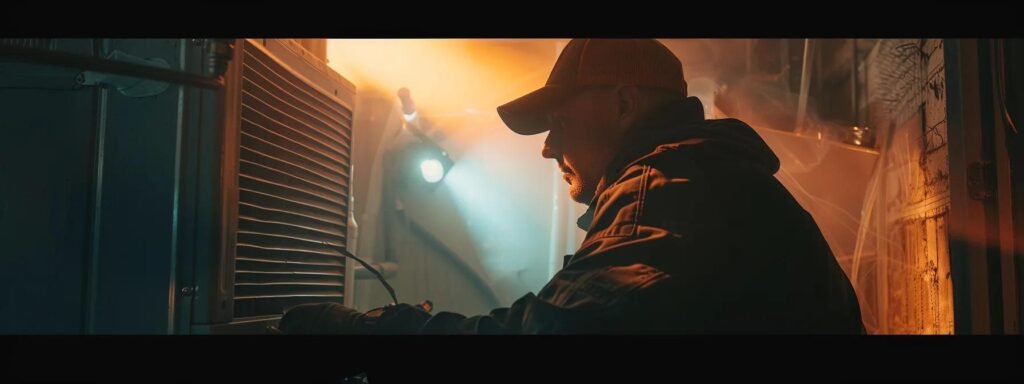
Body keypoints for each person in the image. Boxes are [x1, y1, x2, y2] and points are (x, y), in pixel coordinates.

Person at [277, 38, 864, 334]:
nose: (549, 147)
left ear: (624, 103)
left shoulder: (666, 187)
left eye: (558, 125)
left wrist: (368, 332)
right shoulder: (703, 178)